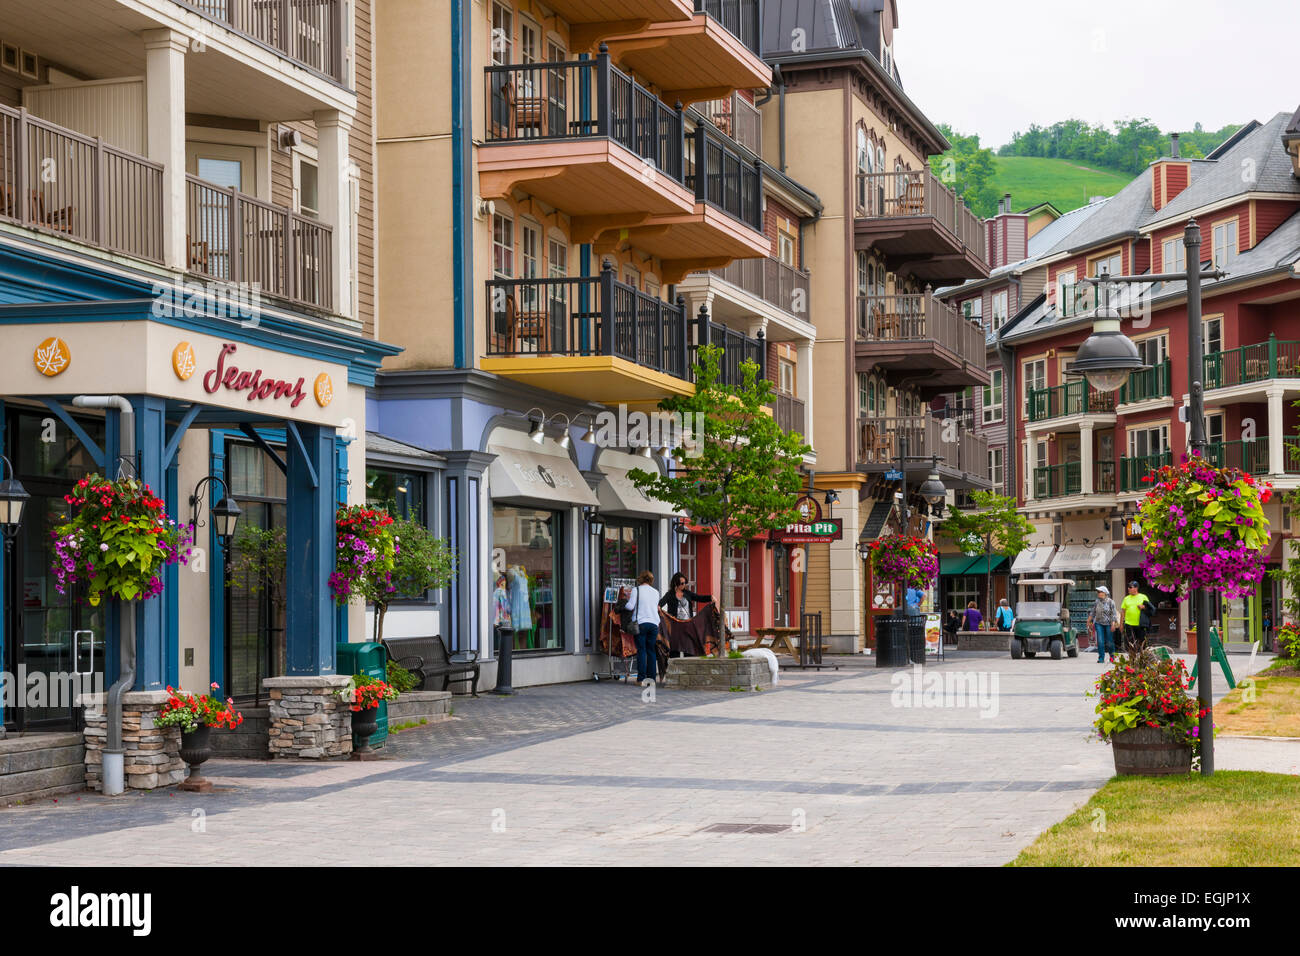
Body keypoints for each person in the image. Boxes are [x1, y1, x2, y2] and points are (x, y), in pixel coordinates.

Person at [627, 570, 661, 684]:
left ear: (641, 579)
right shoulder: (656, 592)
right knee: (651, 651)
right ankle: (651, 679)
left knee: (641, 650)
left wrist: (622, 604)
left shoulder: (636, 590)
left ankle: (641, 678)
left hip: (641, 623)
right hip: (654, 624)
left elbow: (630, 606)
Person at [1120, 581, 1152, 654]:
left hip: (1141, 624)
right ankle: (1132, 659)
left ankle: (1142, 659)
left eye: (1130, 587)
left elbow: (1150, 608)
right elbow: (1123, 612)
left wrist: (1144, 607)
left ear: (1136, 588)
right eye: (1128, 587)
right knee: (1130, 643)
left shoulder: (1143, 597)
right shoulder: (1126, 598)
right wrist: (1121, 624)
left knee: (1142, 643)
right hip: (1129, 624)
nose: (1128, 588)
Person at [1088, 584, 1118, 664]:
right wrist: (1089, 621)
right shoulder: (1097, 601)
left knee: (1109, 641)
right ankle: (1101, 658)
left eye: (1100, 592)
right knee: (1100, 641)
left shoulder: (1111, 602)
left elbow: (1113, 614)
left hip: (1108, 623)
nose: (1098, 593)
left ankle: (1112, 657)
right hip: (1099, 623)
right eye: (1098, 592)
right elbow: (1093, 612)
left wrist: (1113, 624)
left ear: (1105, 593)